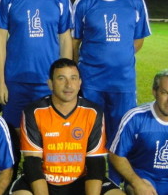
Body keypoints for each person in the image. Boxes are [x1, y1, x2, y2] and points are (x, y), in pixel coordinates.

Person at [71, 0, 151, 183]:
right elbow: (74, 43)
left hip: (123, 84)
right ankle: (87, 181)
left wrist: (118, 59)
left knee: (120, 137)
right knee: (89, 135)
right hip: (91, 83)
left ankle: (116, 183)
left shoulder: (135, 1)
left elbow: (138, 41)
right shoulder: (84, 2)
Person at [0, 0, 73, 131]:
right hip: (15, 80)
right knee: (13, 134)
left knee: (48, 134)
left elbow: (65, 40)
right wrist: (1, 82)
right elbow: (0, 41)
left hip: (48, 81)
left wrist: (64, 78)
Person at [10, 58, 123, 195]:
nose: (69, 85)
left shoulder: (93, 112)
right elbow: (32, 163)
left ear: (80, 83)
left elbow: (96, 162)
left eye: (73, 78)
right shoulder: (34, 112)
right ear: (50, 84)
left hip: (82, 179)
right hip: (44, 179)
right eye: (61, 78)